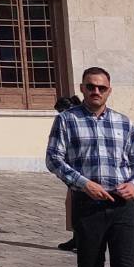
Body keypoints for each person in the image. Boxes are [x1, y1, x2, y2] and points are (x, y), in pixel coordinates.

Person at [46, 67, 134, 267]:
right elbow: (53, 159)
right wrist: (83, 183)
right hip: (88, 206)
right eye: (90, 86)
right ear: (82, 88)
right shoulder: (66, 120)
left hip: (122, 206)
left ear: (109, 91)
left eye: (101, 88)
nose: (96, 91)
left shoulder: (123, 122)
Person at [53, 94, 83, 251]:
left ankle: (83, 240)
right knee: (71, 205)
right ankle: (76, 237)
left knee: (80, 206)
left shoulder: (77, 121)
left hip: (83, 172)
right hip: (71, 171)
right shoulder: (66, 121)